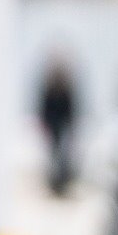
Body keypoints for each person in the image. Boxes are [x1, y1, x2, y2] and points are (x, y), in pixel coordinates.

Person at [39, 52, 81, 197]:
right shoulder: (50, 85)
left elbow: (71, 108)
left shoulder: (64, 86)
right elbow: (45, 107)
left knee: (64, 156)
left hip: (62, 125)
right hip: (54, 125)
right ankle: (55, 185)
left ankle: (63, 185)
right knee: (54, 155)